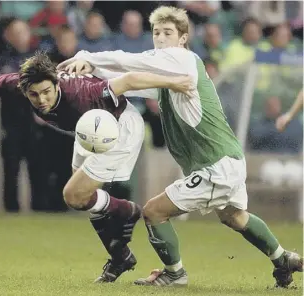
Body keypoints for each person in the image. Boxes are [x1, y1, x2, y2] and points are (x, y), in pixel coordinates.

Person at [58, 5, 303, 288]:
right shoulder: (166, 77)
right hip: (226, 160)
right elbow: (128, 80)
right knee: (234, 216)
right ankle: (283, 258)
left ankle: (175, 274)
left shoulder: (184, 59)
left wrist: (87, 56)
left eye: (168, 33)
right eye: (156, 33)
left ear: (183, 38)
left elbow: (133, 61)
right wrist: (89, 73)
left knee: (153, 211)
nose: (161, 38)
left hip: (217, 165)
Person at [0, 51, 193, 283]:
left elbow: (129, 80)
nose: (41, 100)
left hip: (118, 126)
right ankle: (121, 255)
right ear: (23, 89)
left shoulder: (83, 94)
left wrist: (175, 83)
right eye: (34, 95)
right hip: (87, 130)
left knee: (73, 194)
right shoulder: (18, 83)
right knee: (80, 199)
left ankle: (126, 211)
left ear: (57, 84)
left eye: (46, 92)